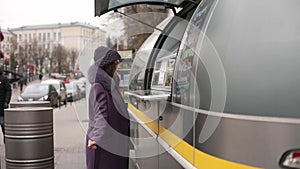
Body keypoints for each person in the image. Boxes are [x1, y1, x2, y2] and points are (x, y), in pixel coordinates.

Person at [86, 46, 129, 169]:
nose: (118, 67)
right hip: (105, 145)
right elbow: (101, 114)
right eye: (116, 63)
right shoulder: (99, 87)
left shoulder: (108, 85)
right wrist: (96, 138)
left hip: (111, 143)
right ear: (108, 65)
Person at [0, 69, 12, 142]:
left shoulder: (4, 79)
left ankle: (6, 138)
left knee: (3, 125)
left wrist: (6, 102)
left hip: (2, 108)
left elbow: (8, 91)